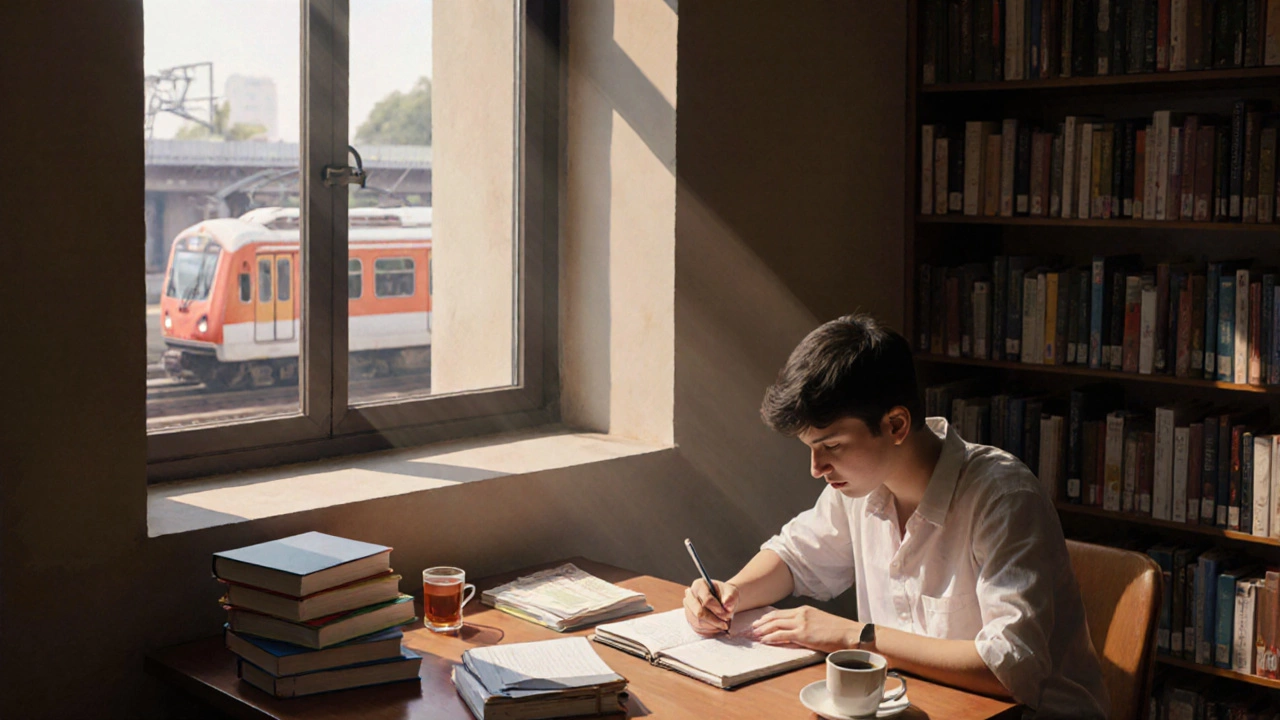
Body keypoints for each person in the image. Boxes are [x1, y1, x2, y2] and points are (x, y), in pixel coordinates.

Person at [683, 313, 1108, 718]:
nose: (816, 468)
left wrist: (855, 636)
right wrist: (729, 592)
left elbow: (1011, 667)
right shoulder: (860, 489)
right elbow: (795, 557)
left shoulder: (1003, 498)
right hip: (919, 706)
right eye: (810, 448)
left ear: (896, 425)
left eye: (830, 446)